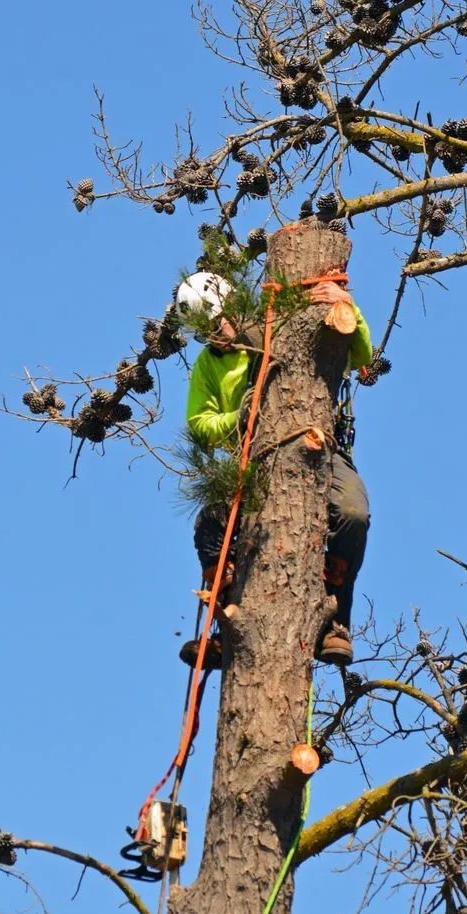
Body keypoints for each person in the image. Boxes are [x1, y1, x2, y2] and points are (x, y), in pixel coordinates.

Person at [177, 273, 372, 667]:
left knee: (352, 514)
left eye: (218, 324)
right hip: (252, 457)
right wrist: (238, 418)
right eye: (206, 332)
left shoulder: (277, 326)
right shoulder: (210, 364)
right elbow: (199, 423)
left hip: (318, 446)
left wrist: (347, 307)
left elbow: (361, 354)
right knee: (210, 526)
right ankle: (227, 626)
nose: (217, 336)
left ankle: (335, 621)